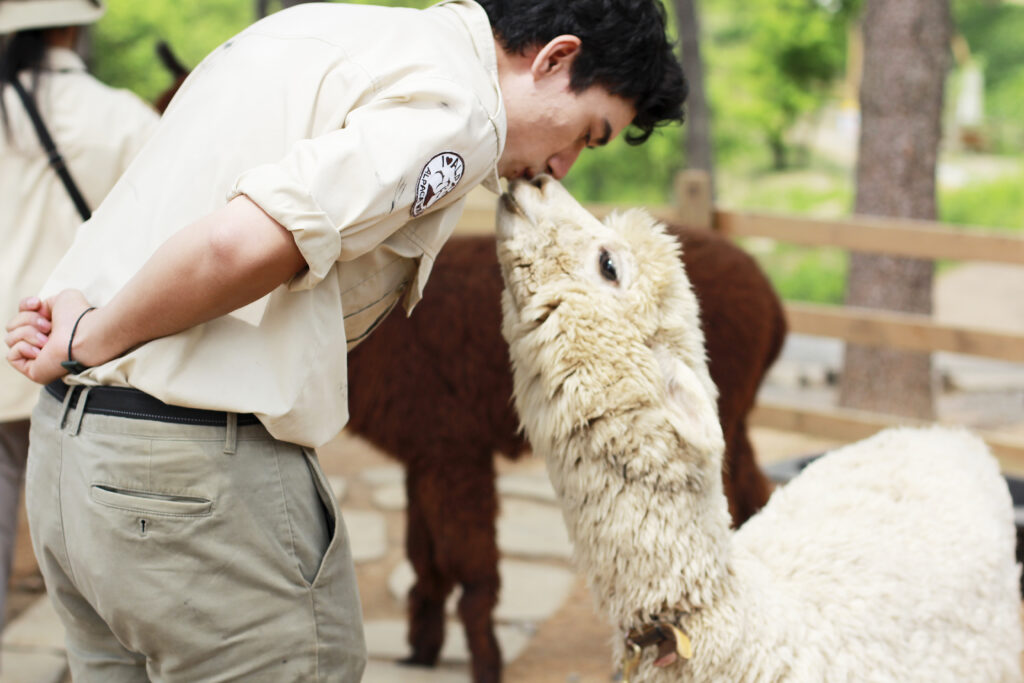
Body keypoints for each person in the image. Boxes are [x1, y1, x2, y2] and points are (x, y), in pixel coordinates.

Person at [4, 0, 686, 679]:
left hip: (72, 459)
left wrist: (82, 319)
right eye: (586, 133)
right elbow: (235, 245)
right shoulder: (460, 108)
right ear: (555, 58)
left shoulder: (319, 33)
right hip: (187, 472)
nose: (562, 165)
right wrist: (92, 337)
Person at [0, 0, 157, 645]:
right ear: (75, 24)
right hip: (73, 353)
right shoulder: (122, 117)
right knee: (93, 531)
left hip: (10, 344)